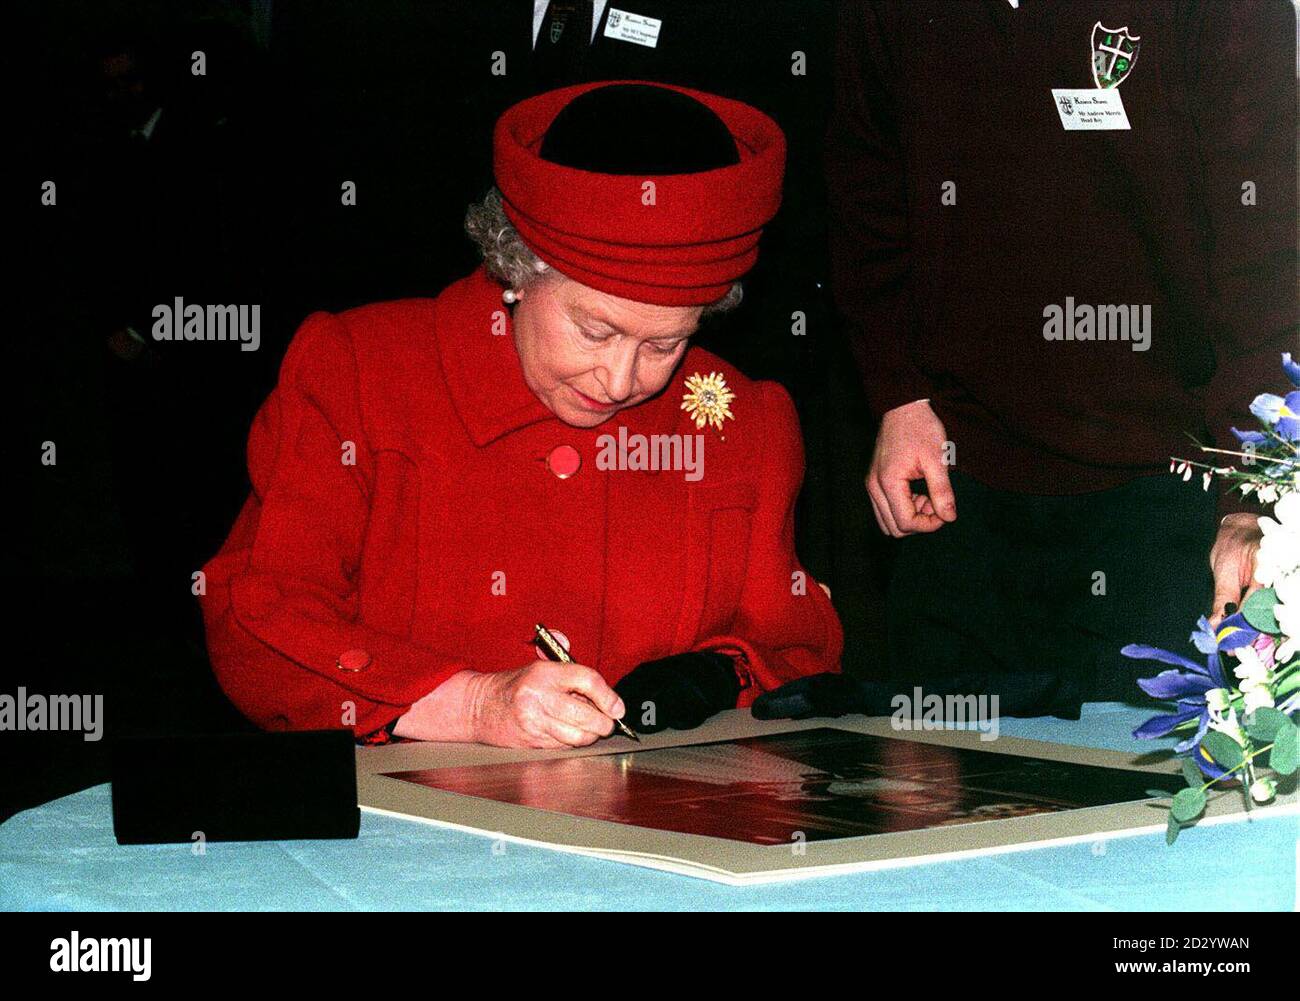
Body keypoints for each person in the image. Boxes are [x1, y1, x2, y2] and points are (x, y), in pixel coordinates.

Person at [199, 81, 843, 748]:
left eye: (665, 343)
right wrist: (472, 705)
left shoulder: (739, 423)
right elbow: (259, 620)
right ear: (516, 267)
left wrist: (717, 675)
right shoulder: (362, 375)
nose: (622, 380)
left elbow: (795, 650)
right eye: (595, 331)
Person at [756, 0, 1297, 723]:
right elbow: (866, 184)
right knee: (944, 817)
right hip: (959, 496)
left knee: (1148, 816)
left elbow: (1266, 250)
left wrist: (1251, 498)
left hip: (1171, 504)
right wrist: (899, 394)